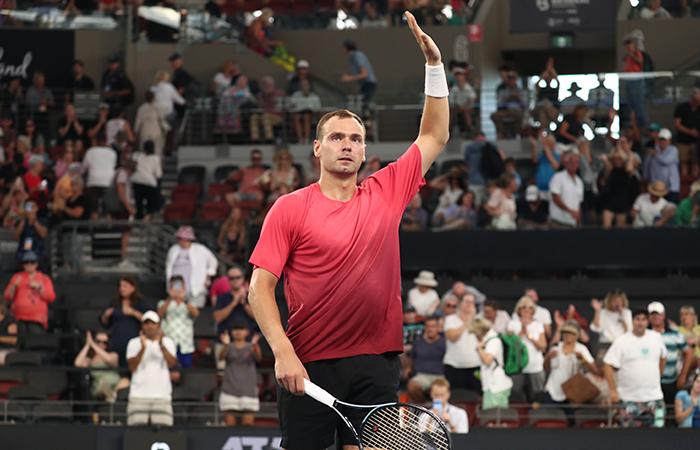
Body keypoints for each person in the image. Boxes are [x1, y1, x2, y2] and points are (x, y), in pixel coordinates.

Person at [247, 14, 448, 449]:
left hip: (377, 362)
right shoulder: (289, 207)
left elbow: (434, 134)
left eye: (355, 139)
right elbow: (259, 288)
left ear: (364, 150)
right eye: (336, 137)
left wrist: (434, 65)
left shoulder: (386, 191)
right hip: (309, 364)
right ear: (318, 148)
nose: (346, 145)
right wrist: (283, 351)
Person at [604, 308, 667, 428]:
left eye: (643, 319)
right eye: (637, 319)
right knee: (629, 438)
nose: (640, 322)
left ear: (647, 321)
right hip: (629, 399)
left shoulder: (656, 338)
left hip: (654, 398)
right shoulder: (622, 341)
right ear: (632, 321)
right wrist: (612, 390)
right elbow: (608, 364)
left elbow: (663, 356)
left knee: (659, 434)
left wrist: (659, 374)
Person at [126, 311, 177, 426]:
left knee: (164, 431)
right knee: (135, 431)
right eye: (146, 323)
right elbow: (132, 366)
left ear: (158, 325)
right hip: (138, 395)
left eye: (153, 323)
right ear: (142, 326)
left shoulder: (167, 342)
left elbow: (172, 363)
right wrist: (143, 348)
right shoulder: (134, 343)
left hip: (162, 395)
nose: (150, 326)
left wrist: (161, 345)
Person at [648, 301, 693, 408]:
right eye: (652, 314)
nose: (655, 317)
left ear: (663, 315)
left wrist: (683, 375)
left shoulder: (674, 332)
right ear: (648, 317)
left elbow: (689, 352)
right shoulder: (644, 333)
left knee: (670, 411)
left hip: (670, 381)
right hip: (649, 382)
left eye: (658, 314)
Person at [218, 319, 262, 426]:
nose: (238, 332)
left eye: (241, 329)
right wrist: (225, 345)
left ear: (247, 332)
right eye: (236, 329)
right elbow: (220, 358)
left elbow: (258, 358)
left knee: (248, 425)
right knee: (229, 424)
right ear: (232, 332)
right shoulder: (228, 346)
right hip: (229, 391)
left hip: (248, 391)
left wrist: (255, 345)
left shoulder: (251, 346)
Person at [100, 276, 150, 367]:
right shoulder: (114, 302)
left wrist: (133, 312)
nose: (122, 289)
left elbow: (148, 319)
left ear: (133, 287)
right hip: (118, 341)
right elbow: (104, 323)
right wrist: (106, 315)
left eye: (125, 286)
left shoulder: (141, 302)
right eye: (120, 286)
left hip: (135, 341)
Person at [214, 265, 256, 370]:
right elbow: (217, 317)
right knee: (222, 374)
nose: (235, 280)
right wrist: (233, 303)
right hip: (225, 343)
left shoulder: (251, 296)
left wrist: (244, 304)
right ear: (228, 281)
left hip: (246, 343)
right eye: (232, 278)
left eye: (237, 277)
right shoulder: (222, 298)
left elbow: (258, 317)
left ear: (242, 279)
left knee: (246, 374)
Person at [3, 251, 56, 335]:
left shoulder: (44, 278)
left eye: (32, 262)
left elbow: (51, 297)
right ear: (23, 264)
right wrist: (14, 286)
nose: (29, 265)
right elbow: (8, 296)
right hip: (19, 317)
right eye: (26, 262)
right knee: (21, 338)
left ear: (37, 264)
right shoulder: (17, 277)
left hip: (37, 318)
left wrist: (39, 287)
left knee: (36, 338)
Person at [543, 323, 597, 405]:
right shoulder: (556, 347)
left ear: (576, 336)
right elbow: (545, 367)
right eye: (565, 333)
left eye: (571, 333)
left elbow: (593, 369)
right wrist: (548, 357)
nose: (567, 335)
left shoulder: (581, 349)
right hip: (553, 388)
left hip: (572, 389)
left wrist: (582, 359)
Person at [165, 226, 218, 308]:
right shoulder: (173, 250)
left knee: (196, 311)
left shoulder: (201, 249)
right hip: (177, 290)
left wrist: (208, 278)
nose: (179, 240)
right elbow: (168, 266)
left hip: (195, 289)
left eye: (181, 238)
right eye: (178, 238)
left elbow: (213, 262)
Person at [507, 296, 547, 402]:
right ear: (519, 309)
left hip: (535, 366)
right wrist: (521, 332)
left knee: (537, 396)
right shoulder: (512, 324)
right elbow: (510, 345)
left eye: (530, 307)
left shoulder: (538, 325)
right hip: (517, 366)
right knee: (515, 396)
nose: (527, 309)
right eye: (524, 306)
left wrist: (529, 335)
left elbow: (543, 346)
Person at [471, 317, 513, 410]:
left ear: (479, 332)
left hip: (495, 387)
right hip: (495, 386)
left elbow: (487, 360)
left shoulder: (493, 341)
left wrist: (479, 348)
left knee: (493, 418)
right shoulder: (490, 340)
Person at [157, 276, 199, 368]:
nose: (177, 289)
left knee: (186, 371)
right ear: (169, 288)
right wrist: (170, 298)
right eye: (174, 287)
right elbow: (160, 313)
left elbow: (195, 313)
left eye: (179, 286)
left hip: (186, 344)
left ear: (184, 288)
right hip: (169, 342)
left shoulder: (190, 303)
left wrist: (185, 300)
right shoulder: (163, 303)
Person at [443, 293, 481, 391]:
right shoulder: (450, 319)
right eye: (466, 301)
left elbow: (482, 338)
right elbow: (452, 337)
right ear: (460, 303)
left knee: (475, 397)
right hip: (454, 366)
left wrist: (473, 319)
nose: (469, 304)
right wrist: (467, 321)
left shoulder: (479, 320)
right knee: (456, 397)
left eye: (471, 302)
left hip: (475, 365)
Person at [405, 316, 445, 404]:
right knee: (412, 386)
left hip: (439, 376)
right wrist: (408, 368)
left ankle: (439, 412)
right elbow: (412, 358)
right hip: (421, 376)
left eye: (433, 326)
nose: (430, 329)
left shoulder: (444, 342)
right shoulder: (418, 343)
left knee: (442, 389)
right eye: (428, 326)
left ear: (438, 328)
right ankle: (424, 408)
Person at [74, 331, 120, 401]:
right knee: (103, 388)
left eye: (105, 342)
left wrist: (93, 344)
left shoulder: (113, 355)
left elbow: (109, 360)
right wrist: (88, 344)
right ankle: (109, 396)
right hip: (101, 387)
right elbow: (77, 363)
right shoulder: (91, 360)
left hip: (116, 385)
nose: (101, 344)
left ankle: (112, 395)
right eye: (99, 341)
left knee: (125, 381)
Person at [57, 177, 90, 274]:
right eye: (72, 185)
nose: (73, 187)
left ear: (80, 187)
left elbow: (77, 213)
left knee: (77, 252)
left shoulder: (83, 199)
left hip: (78, 231)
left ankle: (80, 271)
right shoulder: (69, 200)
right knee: (68, 253)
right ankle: (72, 270)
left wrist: (64, 209)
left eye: (75, 185)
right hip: (67, 230)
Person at [600, 148, 639, 228]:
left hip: (622, 202)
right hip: (610, 201)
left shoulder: (626, 171)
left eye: (619, 158)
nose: (617, 160)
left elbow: (630, 168)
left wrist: (631, 158)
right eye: (614, 158)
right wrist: (606, 159)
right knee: (606, 227)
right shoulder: (611, 170)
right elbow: (609, 167)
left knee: (620, 229)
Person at [340, 38, 378, 120]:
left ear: (346, 47)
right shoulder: (353, 57)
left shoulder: (356, 56)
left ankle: (369, 126)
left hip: (368, 83)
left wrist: (349, 78)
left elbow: (364, 74)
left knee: (365, 106)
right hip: (364, 84)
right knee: (362, 105)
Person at [83, 133, 117, 220]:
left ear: (96, 141)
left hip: (94, 181)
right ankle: (110, 228)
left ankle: (94, 230)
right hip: (108, 182)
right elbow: (114, 165)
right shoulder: (112, 152)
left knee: (94, 209)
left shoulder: (90, 151)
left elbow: (85, 167)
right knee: (108, 209)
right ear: (106, 141)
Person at [644, 128, 680, 204]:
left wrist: (656, 154)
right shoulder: (653, 150)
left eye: (664, 140)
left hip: (671, 187)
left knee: (671, 208)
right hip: (656, 187)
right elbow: (647, 165)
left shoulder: (673, 150)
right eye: (661, 139)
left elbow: (666, 161)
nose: (662, 142)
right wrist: (646, 178)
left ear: (669, 140)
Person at [549, 151, 584, 228]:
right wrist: (569, 211)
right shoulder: (558, 177)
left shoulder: (579, 182)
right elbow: (555, 197)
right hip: (558, 220)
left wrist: (579, 221)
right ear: (566, 163)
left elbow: (579, 203)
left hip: (572, 222)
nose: (574, 165)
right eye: (571, 162)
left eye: (576, 162)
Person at [249, 76, 286, 144]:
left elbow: (281, 108)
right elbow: (259, 108)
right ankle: (255, 139)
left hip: (277, 116)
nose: (268, 88)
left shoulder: (280, 93)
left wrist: (273, 100)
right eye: (266, 86)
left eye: (269, 86)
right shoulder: (261, 95)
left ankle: (269, 138)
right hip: (264, 115)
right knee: (254, 117)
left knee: (265, 116)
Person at [623, 35, 649, 128]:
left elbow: (640, 60)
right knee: (631, 105)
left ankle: (645, 124)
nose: (628, 46)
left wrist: (632, 53)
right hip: (629, 80)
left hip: (637, 81)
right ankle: (635, 123)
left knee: (639, 105)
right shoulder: (627, 56)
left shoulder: (636, 53)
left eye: (629, 43)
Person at [131, 141, 162, 220]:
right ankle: (147, 217)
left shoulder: (137, 155)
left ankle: (139, 217)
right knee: (151, 203)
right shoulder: (156, 158)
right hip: (149, 182)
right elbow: (159, 174)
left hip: (137, 181)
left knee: (139, 203)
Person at [13, 198, 48, 267]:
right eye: (28, 207)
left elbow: (43, 233)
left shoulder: (42, 220)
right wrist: (23, 219)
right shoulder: (20, 221)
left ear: (37, 208)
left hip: (38, 251)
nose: (30, 209)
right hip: (23, 252)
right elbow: (16, 235)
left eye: (32, 207)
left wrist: (34, 220)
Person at [673, 88, 700, 177]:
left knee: (695, 163)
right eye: (695, 100)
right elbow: (677, 124)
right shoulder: (682, 108)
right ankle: (684, 183)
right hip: (683, 141)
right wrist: (691, 132)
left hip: (697, 142)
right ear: (691, 98)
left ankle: (695, 185)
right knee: (683, 162)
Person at [289, 79, 322, 145]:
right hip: (299, 113)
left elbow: (318, 109)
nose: (304, 87)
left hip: (311, 115)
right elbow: (292, 107)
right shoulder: (296, 95)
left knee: (306, 117)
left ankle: (306, 138)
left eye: (306, 85)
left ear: (309, 86)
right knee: (297, 118)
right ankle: (300, 138)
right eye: (303, 85)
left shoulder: (314, 97)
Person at [134, 91, 166, 157]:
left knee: (144, 151)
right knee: (157, 150)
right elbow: (161, 119)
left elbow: (138, 123)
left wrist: (136, 131)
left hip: (145, 131)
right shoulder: (158, 107)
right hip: (155, 131)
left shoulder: (142, 108)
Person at [449, 67, 476, 137]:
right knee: (450, 112)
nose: (459, 77)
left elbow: (472, 104)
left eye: (460, 75)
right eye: (457, 76)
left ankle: (470, 129)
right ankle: (449, 129)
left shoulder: (469, 89)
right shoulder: (453, 90)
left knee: (466, 112)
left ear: (464, 76)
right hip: (456, 109)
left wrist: (463, 107)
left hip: (467, 109)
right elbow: (451, 103)